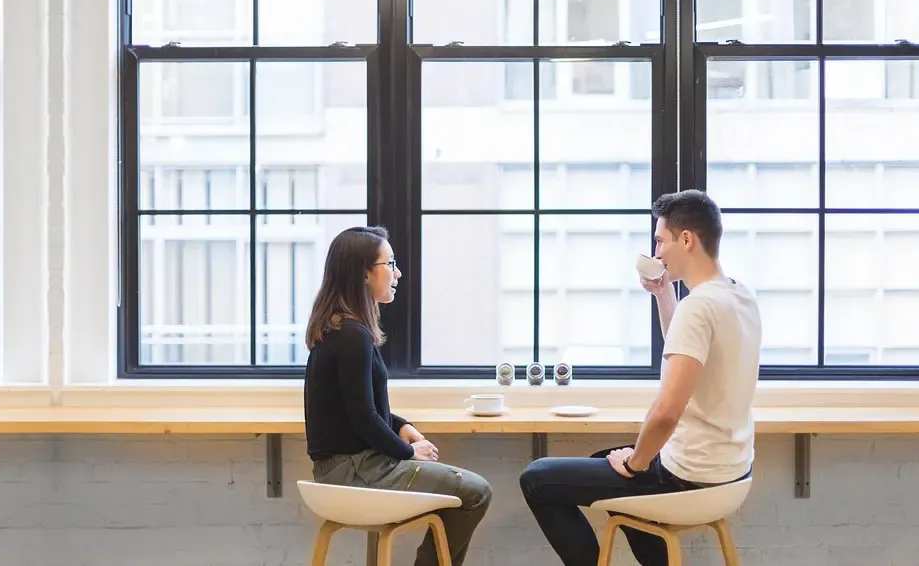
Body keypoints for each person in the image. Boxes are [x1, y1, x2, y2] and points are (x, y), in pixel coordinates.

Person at [518, 189, 762, 566]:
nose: (657, 252)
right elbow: (689, 350)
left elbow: (666, 412)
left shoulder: (699, 306)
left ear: (687, 239)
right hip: (731, 471)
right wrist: (664, 295)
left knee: (538, 479)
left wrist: (636, 464)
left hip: (689, 475)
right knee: (606, 462)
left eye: (660, 240)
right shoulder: (738, 295)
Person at [303, 225, 492, 566]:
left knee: (469, 491)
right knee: (475, 492)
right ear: (364, 273)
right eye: (389, 263)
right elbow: (362, 417)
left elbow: (359, 408)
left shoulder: (340, 327)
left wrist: (401, 425)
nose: (397, 273)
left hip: (344, 468)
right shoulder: (351, 336)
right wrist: (408, 451)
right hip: (355, 471)